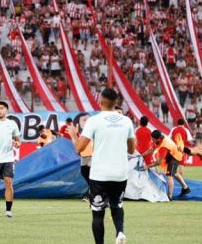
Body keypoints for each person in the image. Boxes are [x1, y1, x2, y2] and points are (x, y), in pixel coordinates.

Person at [70, 88, 135, 244]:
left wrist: (73, 134)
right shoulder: (126, 121)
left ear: (100, 101)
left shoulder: (94, 121)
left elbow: (79, 148)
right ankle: (119, 232)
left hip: (100, 173)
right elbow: (132, 149)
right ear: (116, 102)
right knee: (117, 205)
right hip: (120, 173)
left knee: (98, 213)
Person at [143, 130, 191, 199]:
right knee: (174, 173)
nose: (152, 140)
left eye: (153, 139)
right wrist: (142, 155)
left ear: (158, 138)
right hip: (171, 154)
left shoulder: (164, 146)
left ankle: (169, 196)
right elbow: (152, 149)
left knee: (169, 175)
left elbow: (158, 162)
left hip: (175, 156)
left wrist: (147, 166)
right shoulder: (159, 139)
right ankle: (186, 188)